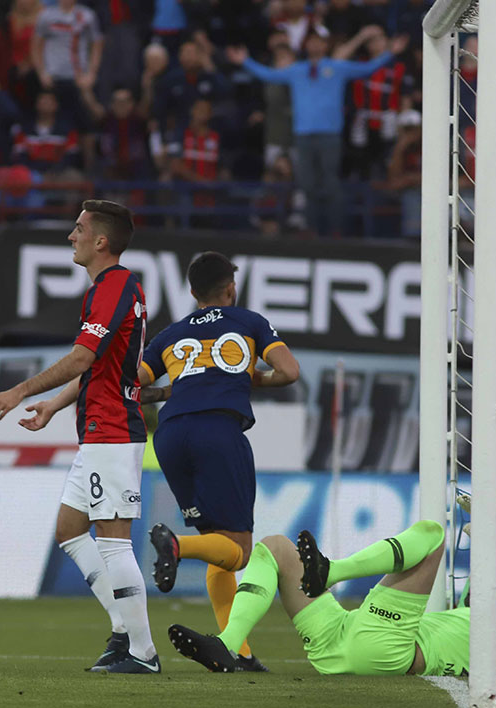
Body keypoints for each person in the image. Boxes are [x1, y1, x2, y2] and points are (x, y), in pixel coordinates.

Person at [0, 200, 158, 674]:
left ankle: (142, 651)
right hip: (99, 428)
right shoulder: (114, 288)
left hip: (114, 428)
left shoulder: (114, 286)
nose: (70, 236)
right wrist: (54, 405)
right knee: (70, 530)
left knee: (114, 541)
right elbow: (97, 364)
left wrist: (19, 391)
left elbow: (83, 358)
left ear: (102, 241)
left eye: (78, 229)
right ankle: (124, 632)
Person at [139, 251, 300, 672]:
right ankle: (177, 545)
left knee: (219, 544)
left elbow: (136, 385)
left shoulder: (169, 335)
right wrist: (248, 378)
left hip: (170, 436)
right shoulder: (248, 322)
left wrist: (172, 391)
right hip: (218, 433)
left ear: (192, 292)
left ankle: (238, 653)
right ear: (230, 288)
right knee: (238, 550)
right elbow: (289, 371)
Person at [170, 521, 472, 676]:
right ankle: (228, 644)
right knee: (274, 547)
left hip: (384, 648)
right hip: (336, 641)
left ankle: (331, 571)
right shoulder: (472, 619)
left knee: (433, 534)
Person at [227, 29, 406, 235]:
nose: (315, 45)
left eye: (319, 41)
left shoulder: (337, 67)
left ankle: (336, 229)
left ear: (325, 45)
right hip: (303, 135)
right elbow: (270, 75)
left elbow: (367, 69)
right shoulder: (296, 70)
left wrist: (390, 53)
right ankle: (312, 229)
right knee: (307, 185)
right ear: (306, 45)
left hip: (329, 135)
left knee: (330, 184)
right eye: (311, 41)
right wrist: (245, 61)